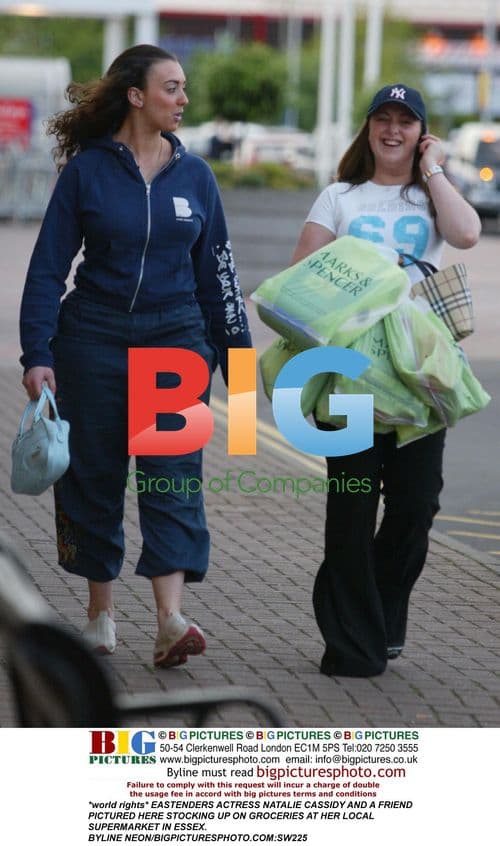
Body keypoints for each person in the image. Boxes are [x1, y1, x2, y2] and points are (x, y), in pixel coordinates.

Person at [19, 44, 251, 668]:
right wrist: (36, 352)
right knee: (93, 480)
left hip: (176, 343)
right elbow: (47, 270)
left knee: (173, 479)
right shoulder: (87, 173)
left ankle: (171, 621)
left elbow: (220, 279)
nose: (183, 98)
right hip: (92, 342)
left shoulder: (196, 177)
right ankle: (101, 616)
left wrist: (242, 370)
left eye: (184, 88)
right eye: (172, 87)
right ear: (136, 96)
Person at [291, 84, 481, 677]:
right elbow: (301, 278)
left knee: (414, 507)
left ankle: (376, 609)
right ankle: (353, 641)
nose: (392, 130)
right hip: (349, 374)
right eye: (383, 119)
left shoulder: (432, 196)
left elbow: (468, 233)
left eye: (406, 122)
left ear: (420, 133)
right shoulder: (339, 197)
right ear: (368, 128)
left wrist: (435, 169)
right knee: (349, 510)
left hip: (420, 374)